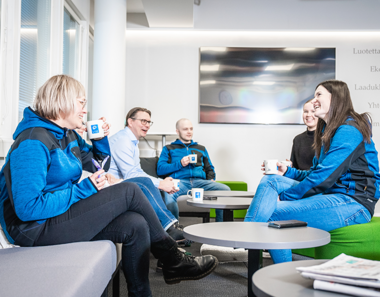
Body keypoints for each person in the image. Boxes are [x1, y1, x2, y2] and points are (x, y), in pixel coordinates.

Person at [0, 75, 218, 296]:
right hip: (33, 228)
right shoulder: (32, 142)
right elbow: (28, 209)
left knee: (136, 224)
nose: (85, 110)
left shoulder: (68, 135)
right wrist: (84, 189)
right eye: (81, 102)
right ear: (62, 101)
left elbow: (99, 165)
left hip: (57, 214)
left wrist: (100, 139)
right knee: (131, 189)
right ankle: (172, 257)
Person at [244, 79, 380, 264]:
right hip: (332, 193)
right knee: (271, 180)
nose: (313, 99)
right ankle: (247, 235)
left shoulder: (349, 130)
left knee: (272, 214)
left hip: (354, 203)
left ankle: (249, 239)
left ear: (336, 98)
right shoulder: (327, 130)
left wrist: (286, 197)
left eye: (319, 95)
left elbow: (323, 178)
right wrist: (288, 171)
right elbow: (315, 174)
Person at [108, 107, 185, 241]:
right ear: (130, 122)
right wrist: (161, 184)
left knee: (148, 183)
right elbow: (131, 175)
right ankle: (169, 226)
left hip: (123, 184)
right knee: (146, 184)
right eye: (143, 121)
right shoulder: (123, 140)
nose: (147, 125)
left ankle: (168, 227)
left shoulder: (132, 141)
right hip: (111, 187)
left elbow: (138, 172)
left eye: (149, 122)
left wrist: (161, 182)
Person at [157, 118, 230, 221]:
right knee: (168, 195)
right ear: (177, 131)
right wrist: (180, 164)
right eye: (185, 129)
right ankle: (173, 229)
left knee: (225, 190)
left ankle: (220, 225)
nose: (189, 132)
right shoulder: (168, 148)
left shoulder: (201, 148)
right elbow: (160, 169)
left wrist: (211, 178)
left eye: (191, 129)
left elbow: (209, 167)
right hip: (180, 182)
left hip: (200, 182)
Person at [290, 99, 318, 170]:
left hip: (317, 180)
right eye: (305, 111)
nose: (308, 115)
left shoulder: (327, 138)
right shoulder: (298, 139)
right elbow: (294, 168)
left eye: (313, 111)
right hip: (299, 180)